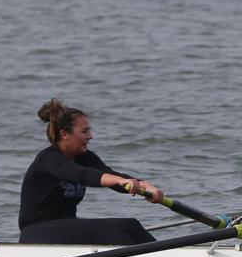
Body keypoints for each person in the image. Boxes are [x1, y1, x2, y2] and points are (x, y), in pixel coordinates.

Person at [18, 99, 165, 245]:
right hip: (36, 232)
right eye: (84, 131)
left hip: (65, 227)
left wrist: (149, 188)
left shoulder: (85, 157)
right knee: (116, 228)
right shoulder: (49, 158)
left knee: (131, 225)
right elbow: (83, 175)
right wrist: (120, 181)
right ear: (64, 134)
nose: (90, 136)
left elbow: (113, 176)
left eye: (89, 131)